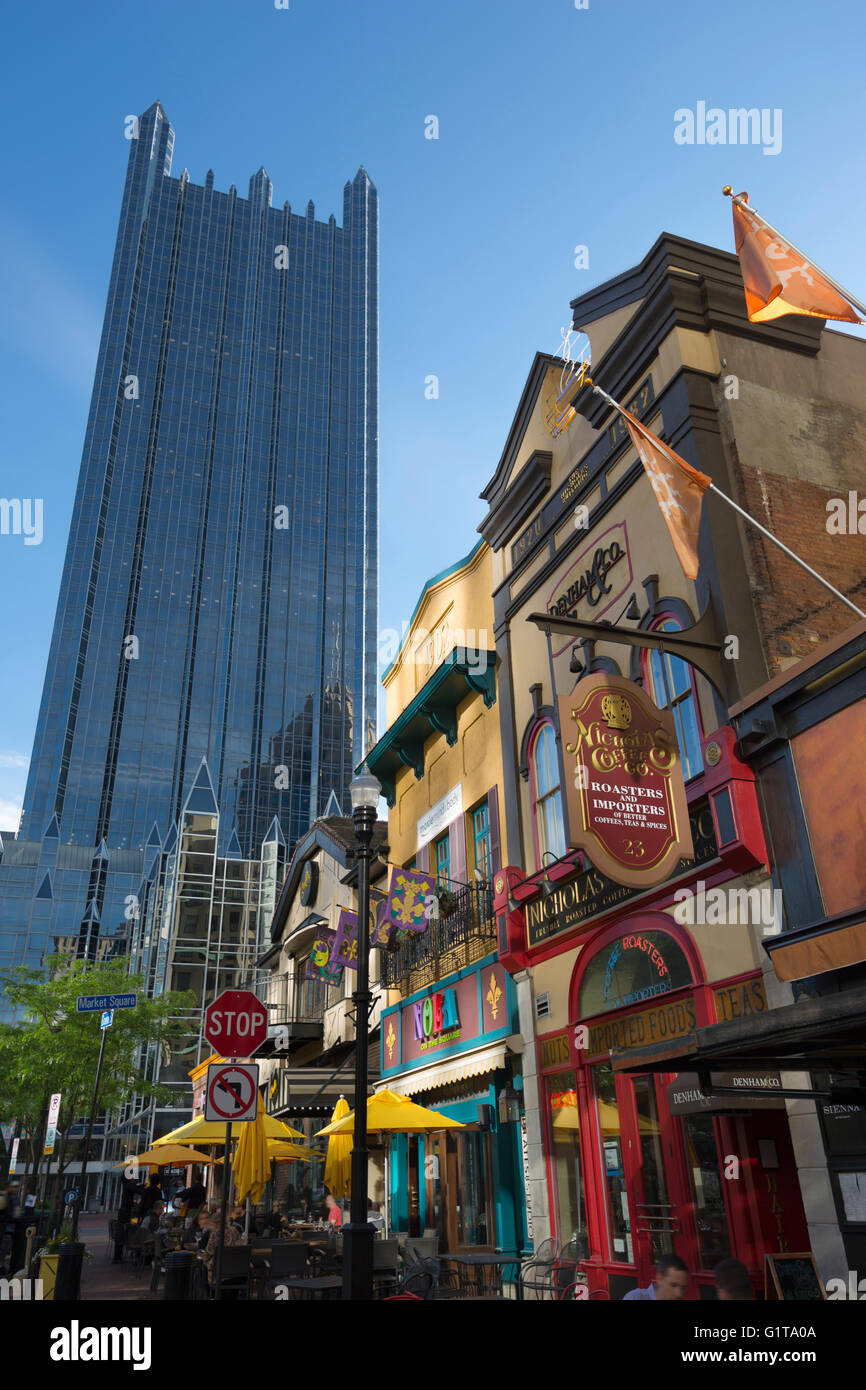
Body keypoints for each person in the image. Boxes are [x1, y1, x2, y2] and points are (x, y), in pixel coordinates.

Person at [201, 1211, 243, 1288]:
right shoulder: (235, 1231)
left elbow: (209, 1252)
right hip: (237, 1271)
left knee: (203, 1268)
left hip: (220, 1273)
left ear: (214, 1223)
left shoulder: (216, 1233)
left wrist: (204, 1260)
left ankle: (211, 1294)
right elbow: (241, 1246)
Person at [623, 1253, 690, 1300]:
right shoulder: (636, 1298)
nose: (679, 1294)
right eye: (673, 1285)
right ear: (659, 1279)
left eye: (683, 1287)